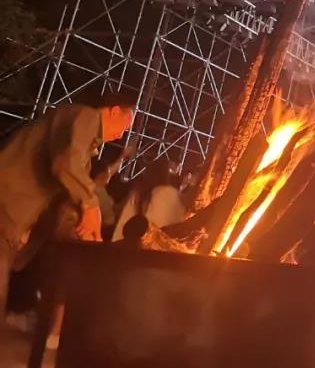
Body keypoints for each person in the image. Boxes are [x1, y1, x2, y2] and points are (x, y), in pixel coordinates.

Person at [0, 92, 135, 317]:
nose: (121, 135)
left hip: (12, 216)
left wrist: (88, 229)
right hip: (6, 205)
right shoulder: (85, 116)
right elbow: (65, 164)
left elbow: (66, 188)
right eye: (124, 126)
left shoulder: (83, 147)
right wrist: (90, 206)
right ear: (113, 111)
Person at [111, 157, 185, 242]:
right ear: (166, 175)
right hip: (156, 246)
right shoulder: (170, 194)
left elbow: (122, 224)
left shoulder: (138, 194)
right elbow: (178, 221)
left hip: (128, 245)